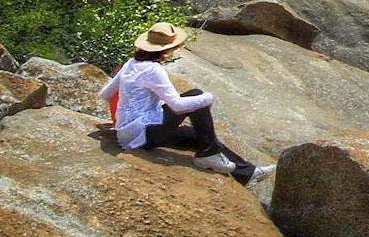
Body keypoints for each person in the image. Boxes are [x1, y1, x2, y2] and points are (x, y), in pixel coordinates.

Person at [99, 21, 273, 185]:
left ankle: (247, 174)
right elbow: (177, 105)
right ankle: (210, 155)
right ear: (167, 50)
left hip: (130, 133)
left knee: (200, 136)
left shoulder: (131, 63)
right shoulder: (153, 70)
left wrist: (122, 121)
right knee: (198, 96)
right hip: (143, 133)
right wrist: (209, 98)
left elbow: (106, 93)